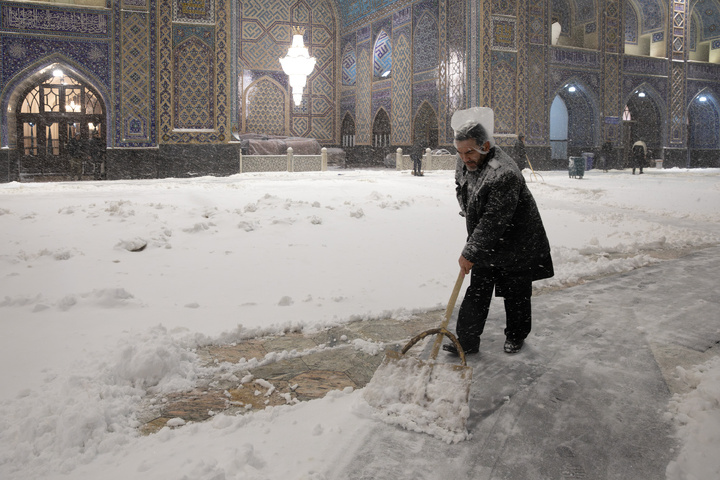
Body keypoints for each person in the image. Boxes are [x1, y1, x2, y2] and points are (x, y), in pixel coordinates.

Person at [444, 120, 554, 356]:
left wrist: (470, 251)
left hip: (517, 240)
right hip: (488, 241)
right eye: (460, 152)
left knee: (516, 293)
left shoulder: (505, 173)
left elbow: (495, 219)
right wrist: (468, 207)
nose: (464, 158)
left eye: (470, 152)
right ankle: (467, 341)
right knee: (477, 291)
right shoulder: (465, 160)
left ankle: (516, 335)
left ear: (485, 145)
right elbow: (461, 185)